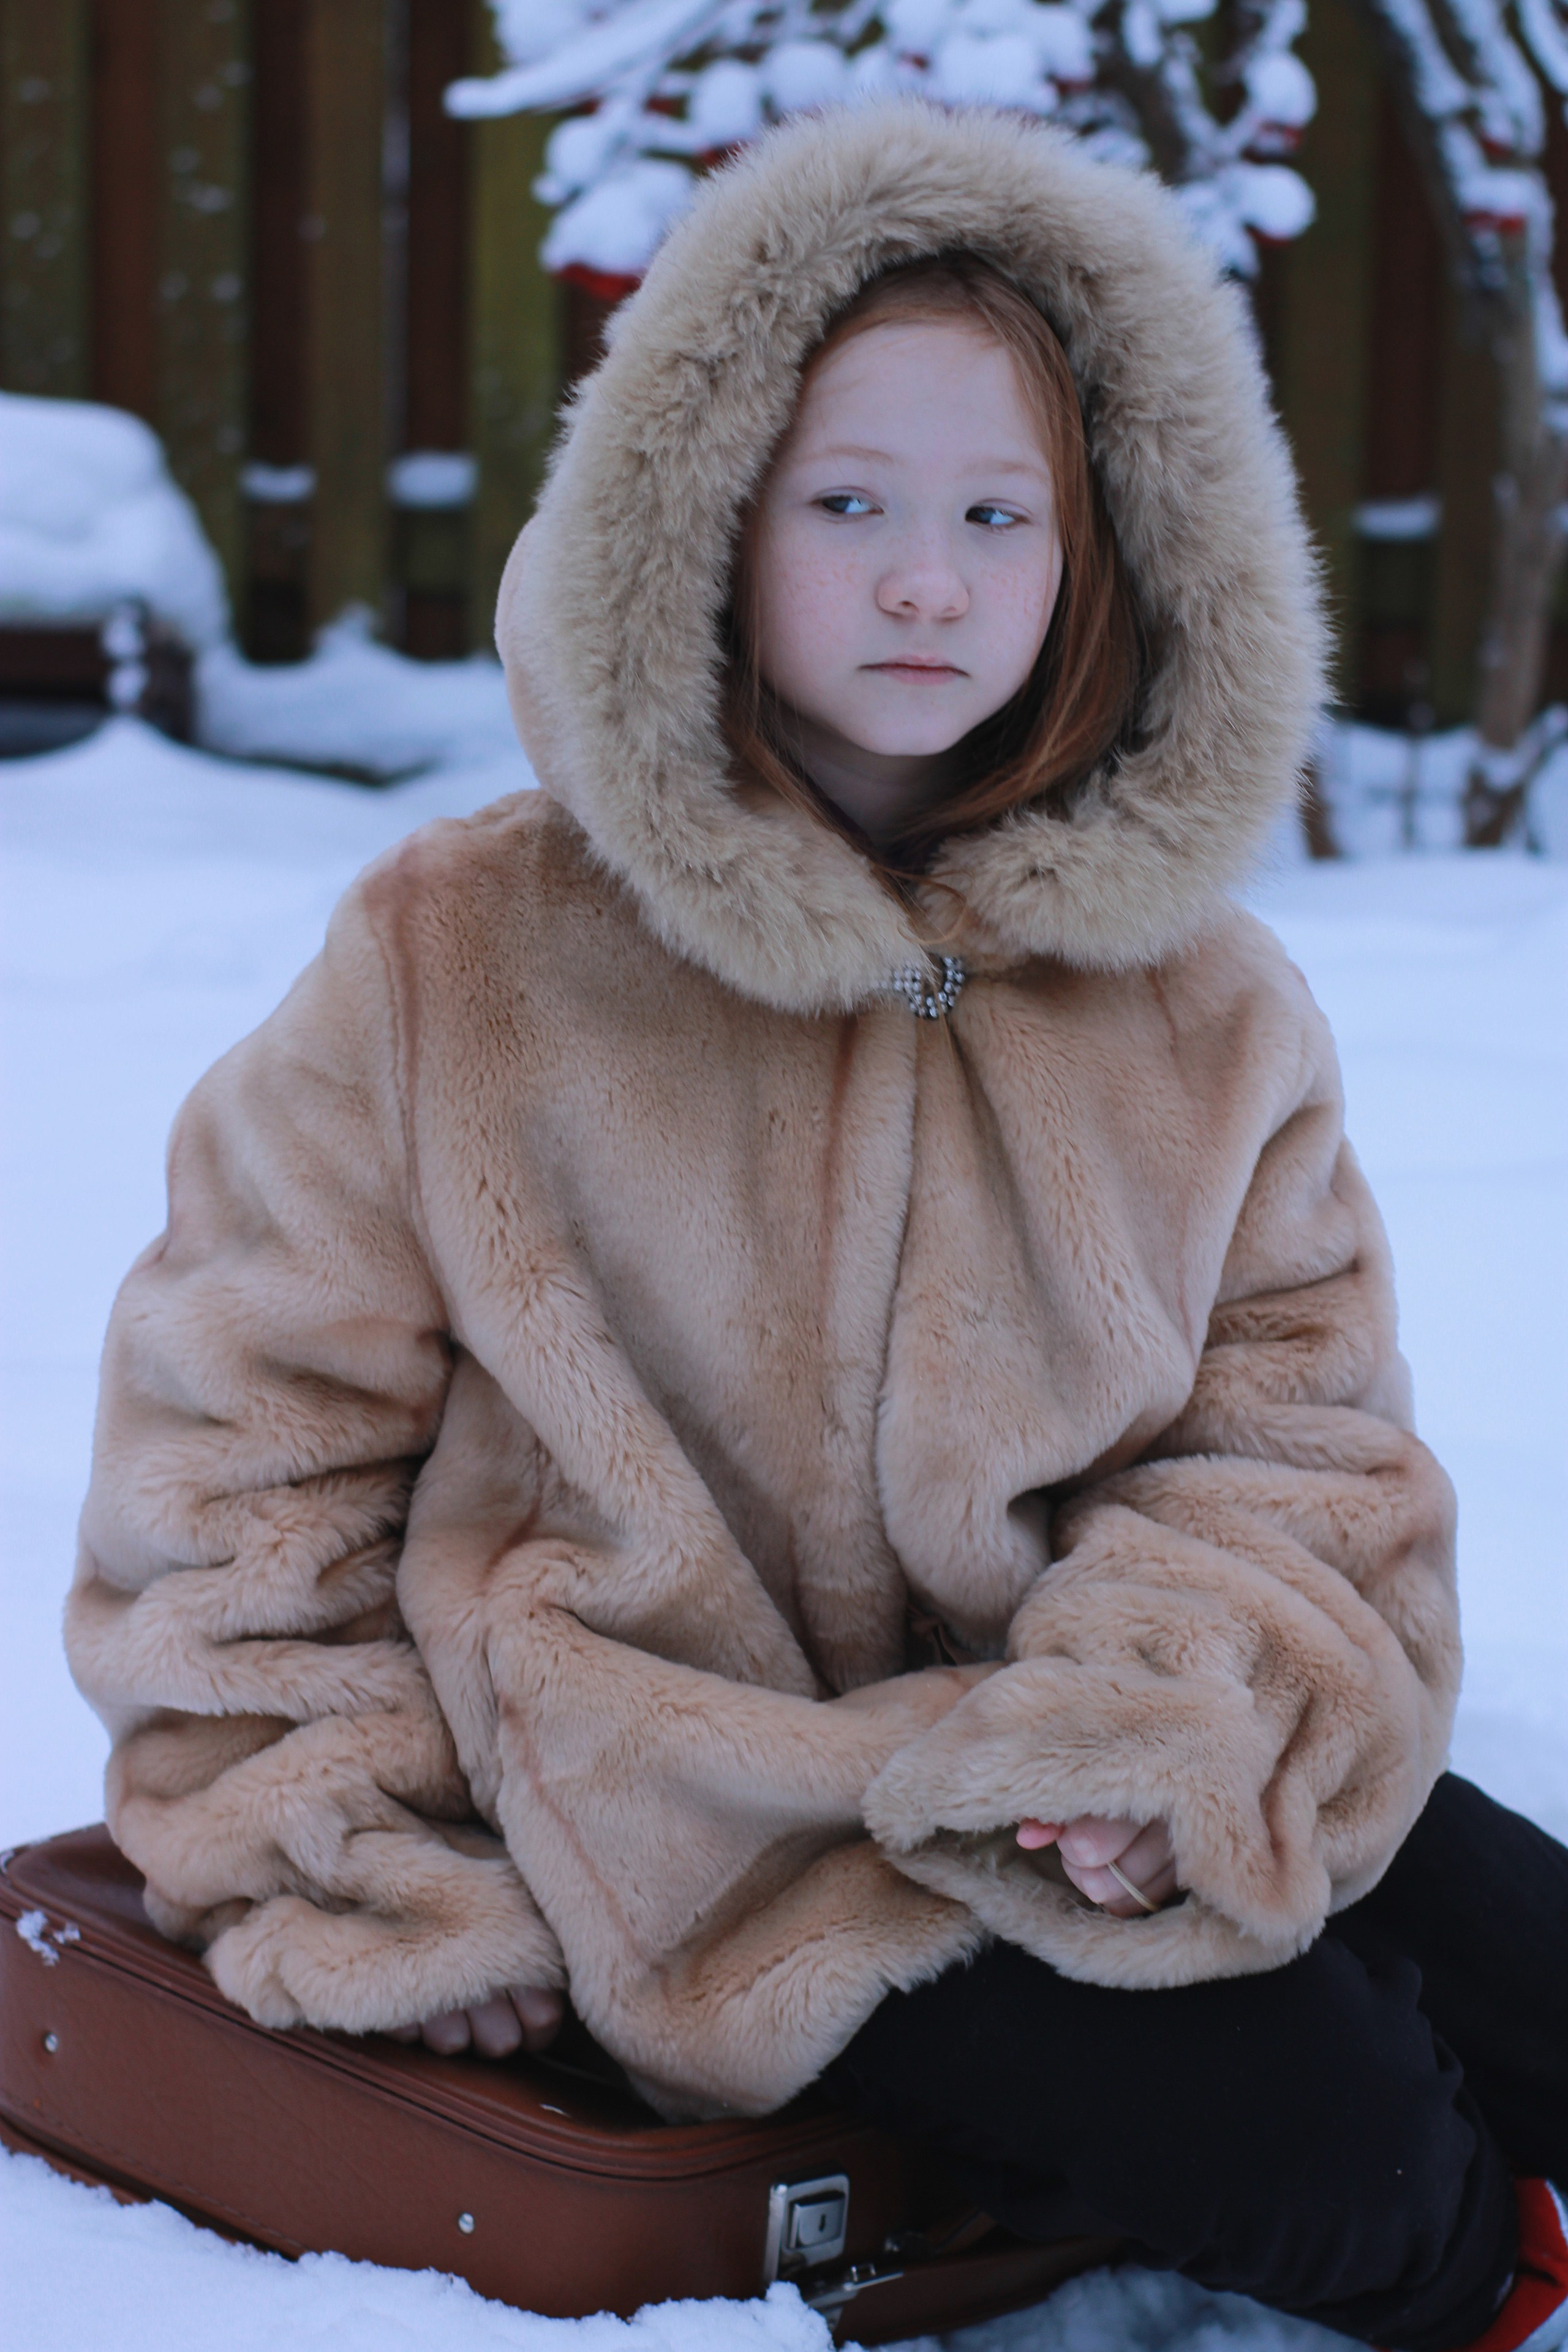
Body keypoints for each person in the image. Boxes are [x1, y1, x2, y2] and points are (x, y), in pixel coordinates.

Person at [66, 99, 1566, 2351]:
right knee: (1327, 2137)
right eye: (845, 506)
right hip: (701, 1839)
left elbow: (1296, 1449)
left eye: (996, 517)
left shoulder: (1206, 1008)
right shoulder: (457, 963)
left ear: (1115, 552)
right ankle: (1483, 2295)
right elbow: (237, 1452)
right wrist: (361, 1859)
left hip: (1067, 1761)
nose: (925, 583)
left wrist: (1157, 1740)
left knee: (1533, 1964)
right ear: (700, 519)